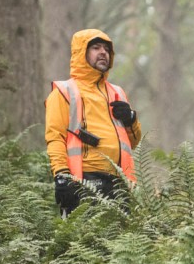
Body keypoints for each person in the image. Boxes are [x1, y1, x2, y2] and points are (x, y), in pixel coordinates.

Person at [45, 28, 143, 216]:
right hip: (84, 179)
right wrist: (62, 176)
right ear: (82, 53)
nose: (103, 53)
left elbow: (133, 142)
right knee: (87, 242)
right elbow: (55, 137)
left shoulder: (117, 93)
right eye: (96, 48)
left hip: (121, 181)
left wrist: (131, 120)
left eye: (106, 49)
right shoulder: (64, 91)